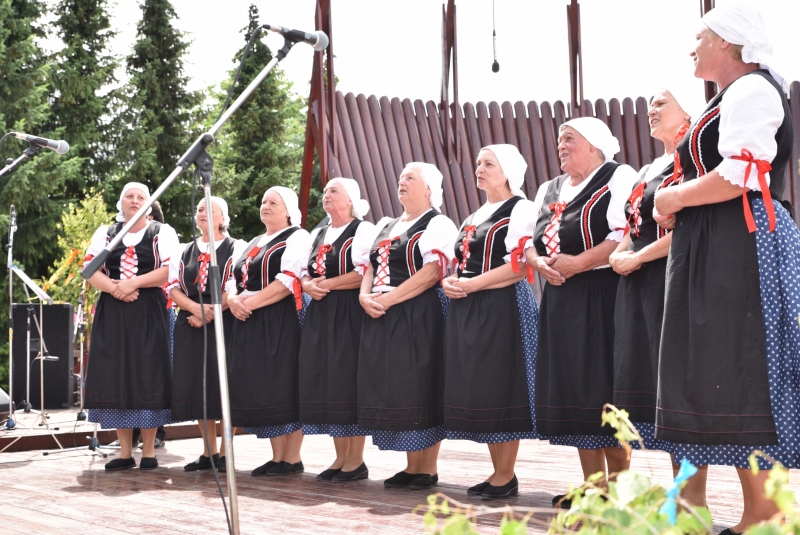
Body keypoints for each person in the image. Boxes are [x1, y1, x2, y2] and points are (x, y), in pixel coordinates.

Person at [653, 5, 798, 532]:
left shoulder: (753, 90)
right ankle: (745, 510)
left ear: (730, 43)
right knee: (713, 367)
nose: (692, 46)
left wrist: (671, 199)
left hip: (741, 242)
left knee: (740, 365)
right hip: (716, 242)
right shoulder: (729, 97)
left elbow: (742, 171)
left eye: (700, 35)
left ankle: (768, 512)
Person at [526, 118, 637, 506]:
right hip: (560, 295)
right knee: (575, 385)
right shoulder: (548, 189)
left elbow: (627, 232)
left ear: (594, 145)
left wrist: (581, 263)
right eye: (559, 140)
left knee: (603, 386)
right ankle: (593, 485)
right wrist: (540, 265)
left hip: (602, 291)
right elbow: (529, 242)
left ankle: (620, 488)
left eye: (569, 139)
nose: (561, 145)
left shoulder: (618, 175)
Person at [609, 89, 710, 505]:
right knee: (648, 389)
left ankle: (692, 503)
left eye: (661, 103)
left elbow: (694, 225)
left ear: (687, 109)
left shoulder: (696, 158)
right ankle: (673, 496)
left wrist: (639, 257)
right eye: (649, 104)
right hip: (638, 285)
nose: (651, 110)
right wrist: (621, 252)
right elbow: (634, 227)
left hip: (673, 279)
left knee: (676, 391)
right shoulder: (650, 167)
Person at [442, 144, 540, 499]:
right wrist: (450, 282)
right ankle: (499, 471)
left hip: (502, 303)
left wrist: (472, 284)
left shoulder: (522, 208)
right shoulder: (474, 215)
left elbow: (521, 266)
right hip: (471, 301)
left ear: (509, 170)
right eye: (478, 163)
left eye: (488, 164)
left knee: (503, 382)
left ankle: (506, 474)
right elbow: (462, 262)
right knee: (483, 385)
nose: (479, 169)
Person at [357, 162, 458, 490]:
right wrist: (364, 296)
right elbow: (369, 267)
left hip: (417, 310)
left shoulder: (438, 223)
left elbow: (432, 273)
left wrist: (389, 300)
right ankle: (412, 465)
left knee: (420, 382)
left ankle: (427, 467)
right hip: (381, 310)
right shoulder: (386, 224)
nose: (401, 182)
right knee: (397, 386)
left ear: (428, 188)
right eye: (400, 178)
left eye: (410, 178)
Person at [83, 182, 179, 471]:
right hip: (113, 310)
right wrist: (115, 289)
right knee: (115, 374)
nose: (135, 201)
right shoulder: (106, 232)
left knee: (149, 374)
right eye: (129, 196)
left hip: (150, 308)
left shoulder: (162, 231)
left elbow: (170, 270)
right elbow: (89, 270)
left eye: (141, 197)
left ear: (149, 204)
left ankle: (148, 450)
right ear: (121, 202)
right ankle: (125, 451)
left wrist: (132, 283)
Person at [226, 186, 312, 477]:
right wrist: (232, 300)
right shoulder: (253, 241)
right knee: (261, 384)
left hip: (278, 317)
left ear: (288, 210)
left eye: (273, 202)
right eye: (263, 201)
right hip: (248, 317)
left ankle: (293, 457)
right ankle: (277, 457)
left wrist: (248, 303)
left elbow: (287, 281)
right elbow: (232, 280)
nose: (265, 206)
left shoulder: (297, 236)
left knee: (282, 382)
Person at [298, 178, 375, 483]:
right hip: (321, 311)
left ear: (350, 201)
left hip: (348, 311)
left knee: (347, 380)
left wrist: (326, 285)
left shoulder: (363, 230)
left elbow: (365, 272)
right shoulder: (318, 233)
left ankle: (356, 460)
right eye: (326, 191)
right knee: (328, 379)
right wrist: (308, 286)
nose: (326, 195)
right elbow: (304, 274)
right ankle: (340, 456)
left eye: (334, 192)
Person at [166, 197, 246, 471]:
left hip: (226, 321)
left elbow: (237, 284)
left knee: (224, 384)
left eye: (209, 209)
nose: (201, 213)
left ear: (223, 217)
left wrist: (212, 311)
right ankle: (208, 452)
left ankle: (227, 452)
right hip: (190, 320)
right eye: (199, 209)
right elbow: (173, 287)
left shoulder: (237, 247)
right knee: (198, 385)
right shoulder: (183, 249)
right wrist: (196, 310)